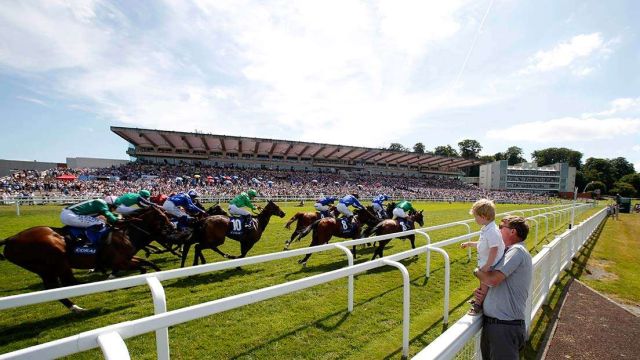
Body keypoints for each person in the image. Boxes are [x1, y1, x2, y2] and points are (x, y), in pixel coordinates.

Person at [473, 215, 532, 360]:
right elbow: (496, 283)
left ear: (512, 232)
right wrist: (485, 297)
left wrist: (476, 271)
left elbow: (492, 280)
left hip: (504, 328)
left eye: (501, 227)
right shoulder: (508, 251)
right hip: (498, 326)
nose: (498, 230)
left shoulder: (516, 250)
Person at [461, 199, 504, 316]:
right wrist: (469, 244)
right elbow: (483, 245)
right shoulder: (487, 229)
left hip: (492, 265)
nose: (475, 219)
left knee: (484, 285)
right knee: (482, 284)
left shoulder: (492, 231)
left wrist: (487, 266)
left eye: (476, 217)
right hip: (487, 263)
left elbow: (494, 250)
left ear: (483, 216)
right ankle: (480, 301)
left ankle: (478, 306)